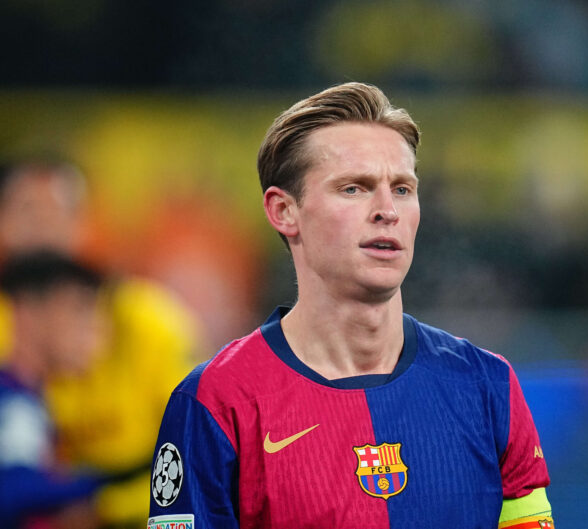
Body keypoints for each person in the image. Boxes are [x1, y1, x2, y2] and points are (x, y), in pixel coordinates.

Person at [148, 82, 554, 529]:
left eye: (402, 189)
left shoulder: (488, 387)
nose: (387, 210)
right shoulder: (216, 401)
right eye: (354, 188)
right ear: (284, 211)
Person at [0, 159, 199, 528]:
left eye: (60, 210)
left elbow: (195, 436)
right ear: (31, 315)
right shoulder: (17, 391)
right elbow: (15, 487)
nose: (45, 226)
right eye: (28, 209)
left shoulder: (146, 319)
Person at [0, 251, 105, 529]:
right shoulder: (13, 402)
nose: (95, 327)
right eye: (78, 309)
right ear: (28, 312)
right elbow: (14, 490)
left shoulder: (37, 400)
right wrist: (112, 478)